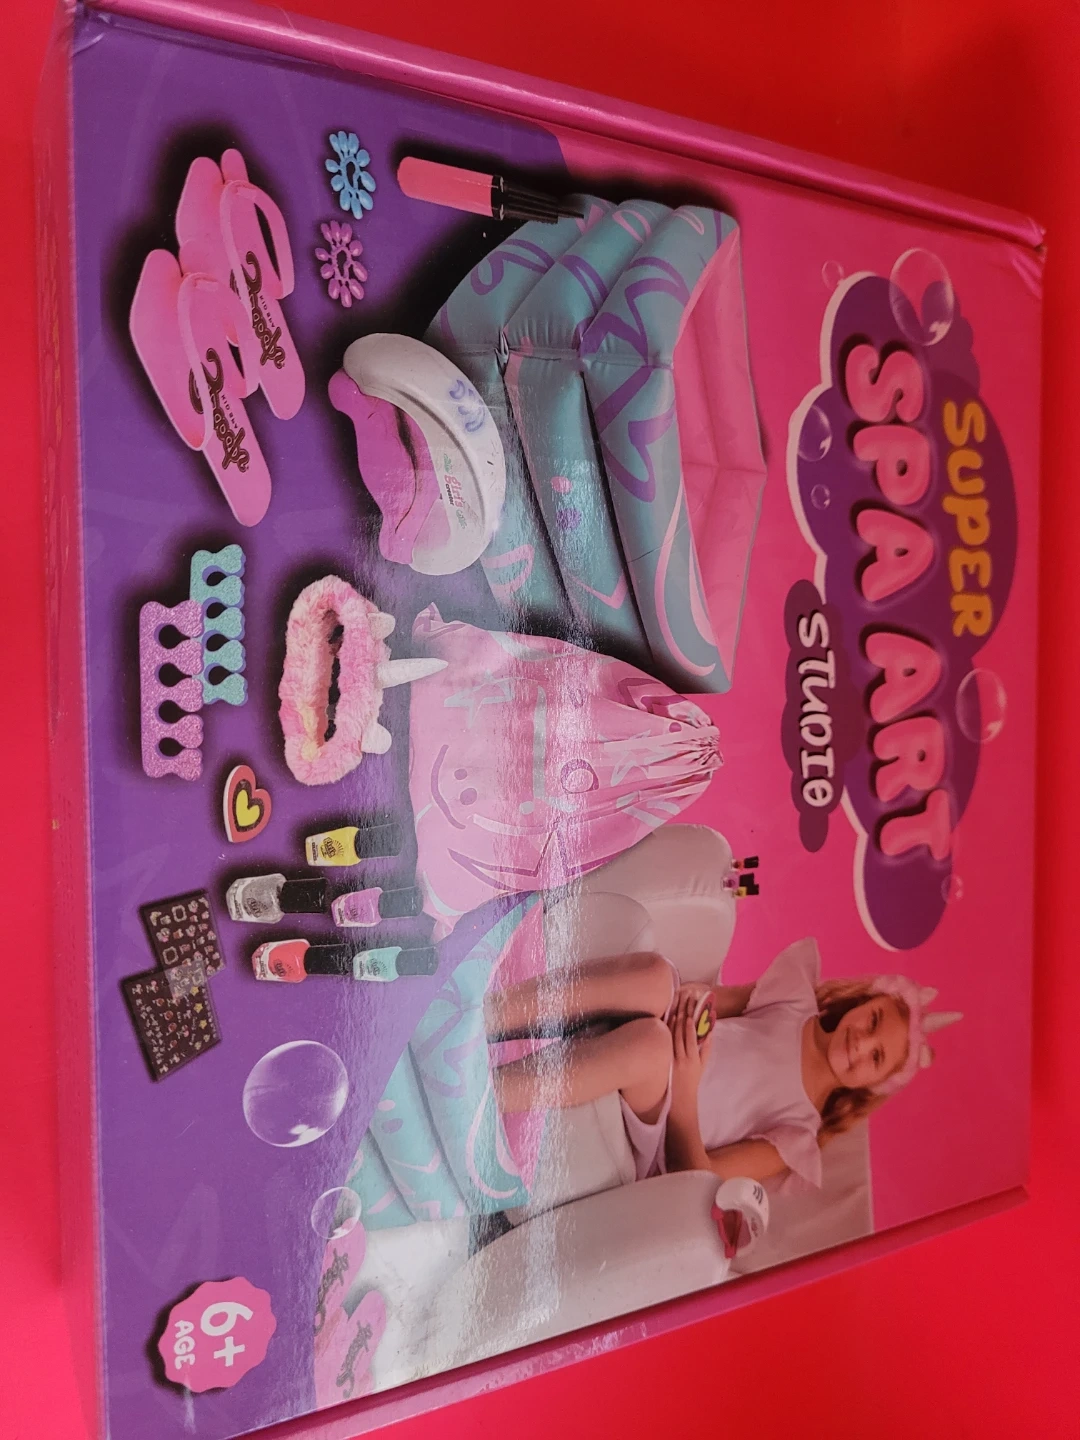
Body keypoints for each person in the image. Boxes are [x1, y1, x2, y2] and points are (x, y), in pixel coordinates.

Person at [486, 939, 961, 1187]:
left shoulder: (798, 1133)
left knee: (651, 1046)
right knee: (657, 975)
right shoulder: (793, 1001)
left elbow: (698, 1175)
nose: (862, 1041)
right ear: (863, 1002)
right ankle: (490, 1014)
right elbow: (710, 998)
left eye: (876, 1057)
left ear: (872, 1086)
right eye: (873, 1020)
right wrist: (693, 1005)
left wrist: (686, 1087)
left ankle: (489, 1094)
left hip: (662, 1122)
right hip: (671, 1041)